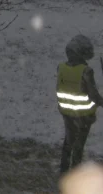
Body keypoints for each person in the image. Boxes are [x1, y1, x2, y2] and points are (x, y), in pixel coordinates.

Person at [56, 34, 103, 175]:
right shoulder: (86, 71)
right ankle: (75, 174)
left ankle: (63, 171)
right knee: (79, 146)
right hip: (83, 116)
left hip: (67, 112)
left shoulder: (61, 68)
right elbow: (93, 95)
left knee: (68, 143)